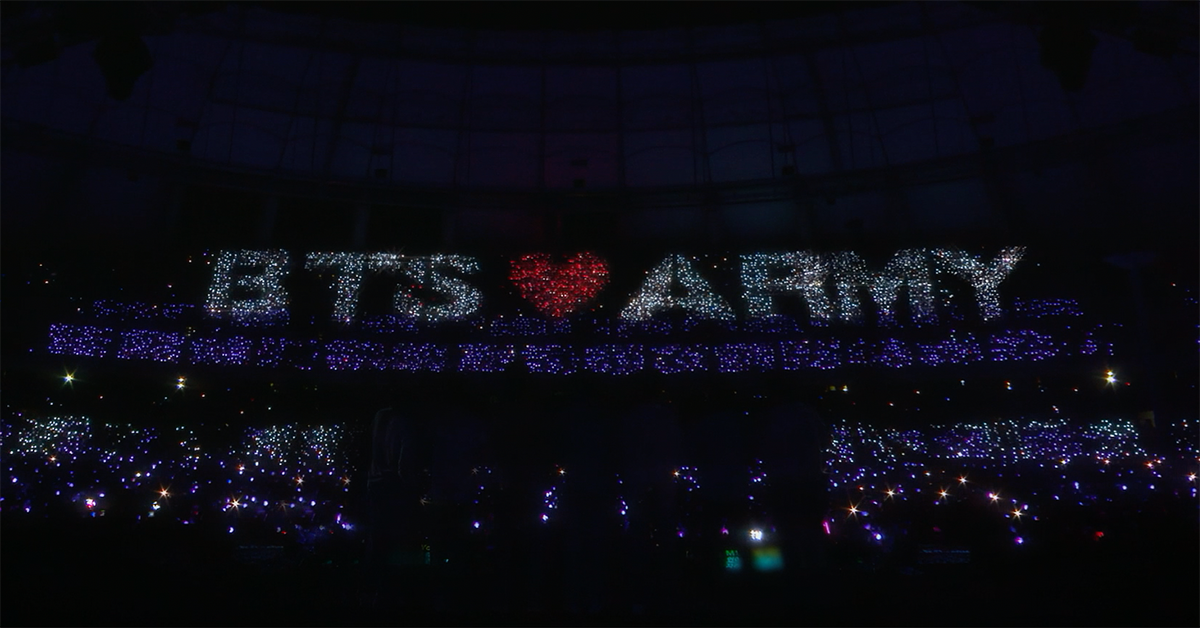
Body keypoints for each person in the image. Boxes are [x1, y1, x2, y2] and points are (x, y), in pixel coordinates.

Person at [365, 374, 435, 611]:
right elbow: (405, 465)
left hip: (375, 483)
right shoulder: (406, 423)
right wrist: (414, 487)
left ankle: (379, 591)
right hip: (395, 487)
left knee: (379, 538)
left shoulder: (380, 416)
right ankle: (399, 593)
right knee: (401, 540)